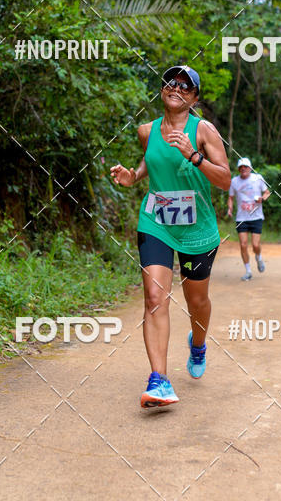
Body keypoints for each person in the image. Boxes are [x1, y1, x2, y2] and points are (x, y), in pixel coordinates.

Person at [110, 65, 231, 408]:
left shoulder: (203, 130)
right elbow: (149, 165)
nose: (175, 87)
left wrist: (193, 156)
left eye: (185, 85)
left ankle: (198, 344)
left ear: (193, 98)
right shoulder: (146, 131)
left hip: (197, 230)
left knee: (197, 303)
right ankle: (159, 380)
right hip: (156, 222)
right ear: (162, 90)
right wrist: (132, 177)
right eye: (170, 82)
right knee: (154, 297)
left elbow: (224, 180)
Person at [227, 157, 270, 281]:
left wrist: (263, 198)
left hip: (256, 217)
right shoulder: (234, 181)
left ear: (250, 168)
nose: (243, 169)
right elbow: (230, 197)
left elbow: (267, 192)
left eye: (245, 166)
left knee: (255, 245)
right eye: (241, 167)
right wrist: (230, 208)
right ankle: (248, 271)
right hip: (241, 218)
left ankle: (259, 257)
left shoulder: (258, 178)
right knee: (243, 245)